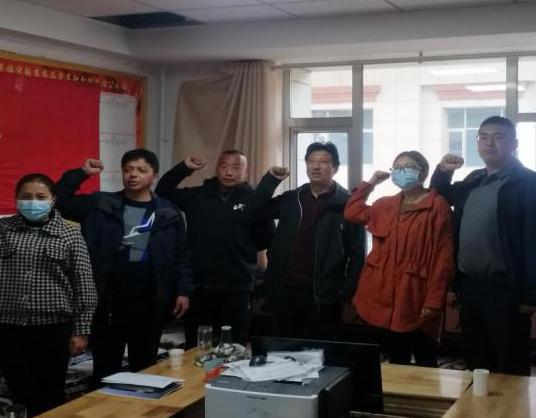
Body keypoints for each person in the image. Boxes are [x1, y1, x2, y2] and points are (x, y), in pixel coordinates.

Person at [0, 173, 97, 416]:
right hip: (6, 327)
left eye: (40, 197)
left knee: (51, 392)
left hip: (53, 327)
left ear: (53, 200)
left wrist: (81, 330)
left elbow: (84, 285)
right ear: (16, 199)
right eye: (26, 196)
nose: (33, 202)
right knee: (20, 392)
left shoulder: (69, 234)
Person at [431, 115, 536, 375]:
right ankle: (479, 403)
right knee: (477, 362)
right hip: (471, 287)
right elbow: (441, 196)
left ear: (514, 144)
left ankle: (513, 404)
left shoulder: (531, 184)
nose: (490, 143)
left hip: (507, 290)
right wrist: (443, 171)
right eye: (484, 137)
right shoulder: (474, 180)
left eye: (498, 137)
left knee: (509, 364)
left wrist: (531, 294)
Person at [55, 149, 193, 380]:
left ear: (154, 177)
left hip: (150, 302)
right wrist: (81, 173)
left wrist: (183, 291)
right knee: (106, 369)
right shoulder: (101, 204)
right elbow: (58, 201)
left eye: (141, 170)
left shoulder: (168, 212)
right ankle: (103, 403)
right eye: (128, 169)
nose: (133, 175)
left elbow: (181, 256)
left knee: (145, 368)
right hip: (108, 301)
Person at [344, 151, 454, 366]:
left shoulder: (437, 206)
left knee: (425, 357)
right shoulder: (384, 205)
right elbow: (352, 213)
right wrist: (370, 183)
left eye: (408, 167)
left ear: (422, 173)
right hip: (382, 292)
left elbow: (443, 257)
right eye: (397, 168)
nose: (401, 172)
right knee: (395, 358)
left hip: (415, 293)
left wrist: (433, 300)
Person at [155, 149, 273, 346]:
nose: (229, 172)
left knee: (234, 347)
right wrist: (184, 168)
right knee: (196, 346)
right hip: (199, 287)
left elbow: (266, 239)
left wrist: (241, 244)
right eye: (224, 166)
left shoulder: (254, 200)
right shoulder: (198, 196)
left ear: (245, 172)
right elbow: (163, 191)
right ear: (217, 169)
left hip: (237, 287)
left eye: (236, 167)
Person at [248, 142, 364, 340]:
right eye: (311, 161)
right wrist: (271, 180)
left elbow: (357, 254)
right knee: (283, 351)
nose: (316, 166)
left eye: (323, 162)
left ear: (335, 168)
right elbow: (253, 211)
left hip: (324, 297)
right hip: (284, 292)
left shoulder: (347, 204)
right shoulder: (292, 199)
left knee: (320, 353)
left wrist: (344, 293)